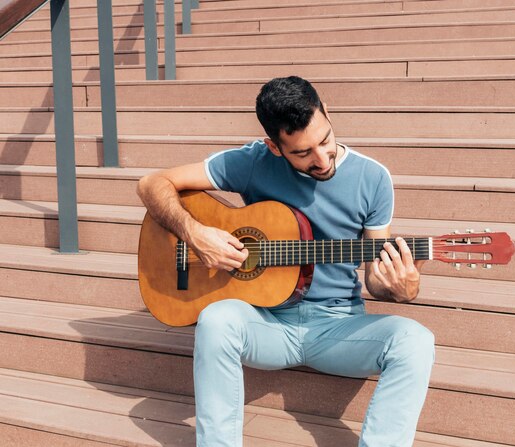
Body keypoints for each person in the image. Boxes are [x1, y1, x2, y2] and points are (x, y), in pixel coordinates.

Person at [137, 76, 435, 447]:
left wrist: (403, 287)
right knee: (215, 320)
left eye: (325, 140)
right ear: (274, 147)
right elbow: (152, 184)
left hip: (337, 326)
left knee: (416, 341)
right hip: (265, 322)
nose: (322, 159)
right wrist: (196, 234)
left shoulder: (372, 178)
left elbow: (376, 277)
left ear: (326, 111)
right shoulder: (252, 162)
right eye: (302, 153)